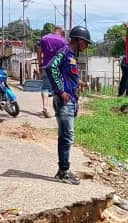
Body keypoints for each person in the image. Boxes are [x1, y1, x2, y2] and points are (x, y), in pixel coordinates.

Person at [45, 25, 91, 184]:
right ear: (78, 40)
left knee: (66, 136)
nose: (86, 46)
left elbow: (68, 76)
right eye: (85, 43)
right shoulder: (64, 52)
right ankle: (63, 171)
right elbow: (51, 67)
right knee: (66, 137)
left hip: (71, 100)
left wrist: (79, 83)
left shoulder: (71, 55)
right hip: (65, 101)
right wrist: (60, 90)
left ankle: (63, 170)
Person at [38, 26, 67, 118]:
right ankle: (58, 109)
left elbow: (39, 52)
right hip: (58, 67)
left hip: (46, 66)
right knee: (58, 87)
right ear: (61, 32)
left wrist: (40, 65)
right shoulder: (63, 41)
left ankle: (45, 106)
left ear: (54, 31)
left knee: (45, 87)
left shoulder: (44, 38)